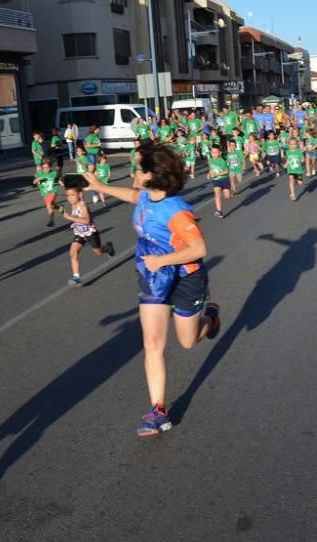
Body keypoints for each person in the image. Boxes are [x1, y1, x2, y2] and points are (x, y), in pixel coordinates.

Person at [81, 144, 221, 436]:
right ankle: (158, 410)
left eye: (139, 168)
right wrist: (100, 186)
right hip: (154, 277)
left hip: (185, 276)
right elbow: (133, 197)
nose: (135, 173)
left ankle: (211, 319)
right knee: (152, 343)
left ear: (153, 175)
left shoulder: (177, 211)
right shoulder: (146, 197)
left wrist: (162, 259)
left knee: (187, 341)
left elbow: (199, 248)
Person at [62, 185, 115, 287]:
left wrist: (70, 217)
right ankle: (76, 278)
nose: (69, 198)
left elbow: (87, 220)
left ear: (80, 195)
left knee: (98, 252)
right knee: (73, 252)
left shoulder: (83, 206)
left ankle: (108, 248)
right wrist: (74, 223)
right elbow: (77, 218)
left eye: (72, 195)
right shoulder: (73, 205)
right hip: (80, 233)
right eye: (67, 196)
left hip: (91, 233)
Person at [33, 158, 60, 227]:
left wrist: (65, 185)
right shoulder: (39, 173)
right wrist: (37, 180)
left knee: (49, 204)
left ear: (50, 166)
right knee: (51, 205)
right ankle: (59, 207)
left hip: (53, 191)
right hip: (44, 193)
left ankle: (51, 221)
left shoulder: (54, 173)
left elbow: (59, 180)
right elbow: (34, 182)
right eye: (44, 167)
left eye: (47, 167)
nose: (45, 169)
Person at [207, 145, 231, 218]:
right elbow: (211, 169)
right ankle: (219, 211)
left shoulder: (222, 161)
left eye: (215, 152)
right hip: (216, 180)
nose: (214, 154)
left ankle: (225, 190)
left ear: (220, 153)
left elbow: (226, 171)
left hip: (224, 179)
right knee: (217, 193)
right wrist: (209, 174)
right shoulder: (210, 160)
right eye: (212, 152)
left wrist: (217, 174)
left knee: (227, 197)